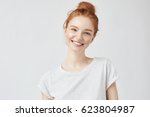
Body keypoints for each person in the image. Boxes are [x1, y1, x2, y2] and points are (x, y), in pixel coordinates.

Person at [38, 1, 119, 100]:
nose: (79, 37)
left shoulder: (104, 68)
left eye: (87, 33)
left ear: (93, 37)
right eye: (74, 29)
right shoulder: (48, 80)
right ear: (65, 30)